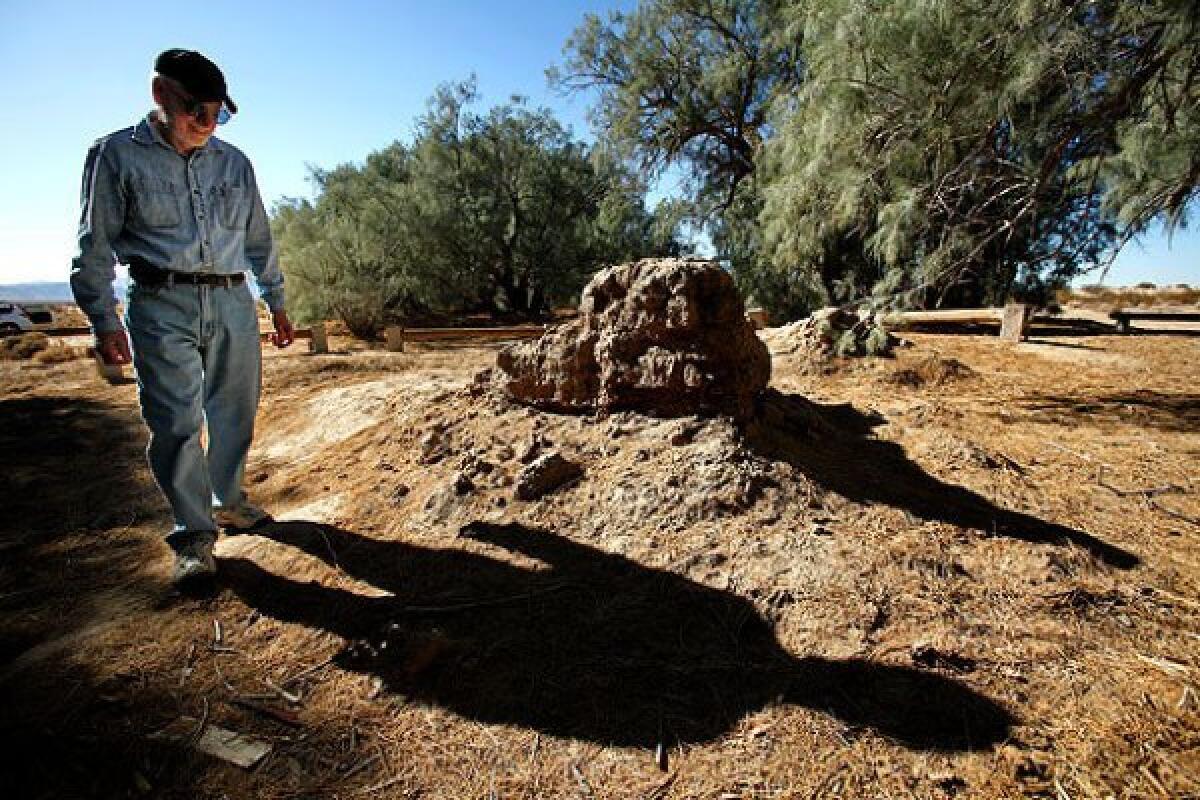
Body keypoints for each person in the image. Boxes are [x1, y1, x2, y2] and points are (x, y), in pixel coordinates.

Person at [70, 49, 295, 587]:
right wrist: (104, 321)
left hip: (232, 301)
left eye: (219, 112)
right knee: (175, 422)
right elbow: (93, 245)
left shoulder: (235, 162)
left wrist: (277, 300)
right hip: (159, 300)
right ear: (160, 95)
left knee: (235, 411)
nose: (208, 124)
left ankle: (230, 501)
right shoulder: (114, 155)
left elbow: (259, 238)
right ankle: (193, 537)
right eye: (196, 109)